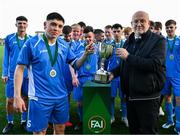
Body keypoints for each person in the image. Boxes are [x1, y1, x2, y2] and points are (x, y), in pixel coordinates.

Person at [13, 12, 94, 135]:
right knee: (40, 132)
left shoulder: (64, 45)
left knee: (60, 129)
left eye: (60, 26)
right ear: (45, 25)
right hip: (40, 98)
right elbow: (19, 69)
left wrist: (85, 54)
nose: (56, 29)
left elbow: (75, 64)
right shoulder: (31, 43)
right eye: (53, 24)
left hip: (61, 96)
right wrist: (17, 96)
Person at [109, 11, 166, 134]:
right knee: (134, 130)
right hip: (130, 96)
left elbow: (154, 64)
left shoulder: (158, 40)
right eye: (136, 21)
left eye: (142, 21)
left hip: (148, 97)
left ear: (148, 23)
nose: (138, 24)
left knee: (148, 131)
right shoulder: (129, 40)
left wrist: (128, 57)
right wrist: (113, 73)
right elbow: (125, 64)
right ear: (131, 23)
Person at [2, 16, 31, 134]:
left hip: (26, 75)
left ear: (27, 25)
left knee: (25, 98)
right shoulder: (9, 38)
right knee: (10, 100)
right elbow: (6, 57)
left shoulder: (31, 39)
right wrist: (4, 73)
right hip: (12, 74)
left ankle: (24, 121)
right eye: (20, 23)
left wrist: (30, 72)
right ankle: (10, 122)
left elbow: (33, 59)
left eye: (24, 23)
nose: (22, 25)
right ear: (16, 24)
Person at [107, 23, 128, 127]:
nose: (116, 33)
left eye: (118, 31)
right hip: (112, 75)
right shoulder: (109, 45)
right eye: (114, 31)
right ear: (112, 32)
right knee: (111, 97)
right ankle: (111, 116)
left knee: (124, 97)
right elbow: (105, 60)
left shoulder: (126, 44)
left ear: (122, 31)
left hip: (124, 75)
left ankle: (125, 117)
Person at [161, 20, 180, 135]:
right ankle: (169, 121)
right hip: (165, 75)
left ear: (175, 28)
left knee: (178, 100)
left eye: (171, 27)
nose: (169, 29)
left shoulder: (179, 40)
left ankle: (178, 125)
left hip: (177, 76)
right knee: (167, 98)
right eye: (167, 28)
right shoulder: (163, 41)